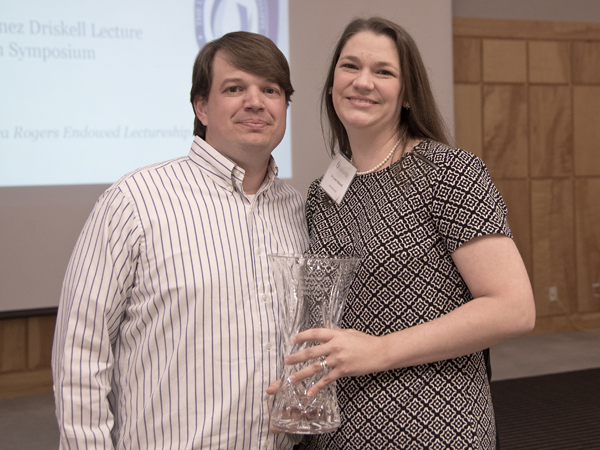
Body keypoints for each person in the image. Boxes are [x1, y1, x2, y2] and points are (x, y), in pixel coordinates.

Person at [280, 17, 536, 449]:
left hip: (434, 425)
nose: (363, 82)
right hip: (342, 431)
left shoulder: (448, 172)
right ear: (330, 85)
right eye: (350, 67)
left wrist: (378, 351)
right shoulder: (321, 196)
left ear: (406, 94)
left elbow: (514, 309)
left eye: (383, 71)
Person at [52, 31, 309, 450]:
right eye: (234, 88)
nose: (255, 102)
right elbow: (80, 354)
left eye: (271, 90)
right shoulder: (134, 201)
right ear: (201, 106)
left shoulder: (297, 211)